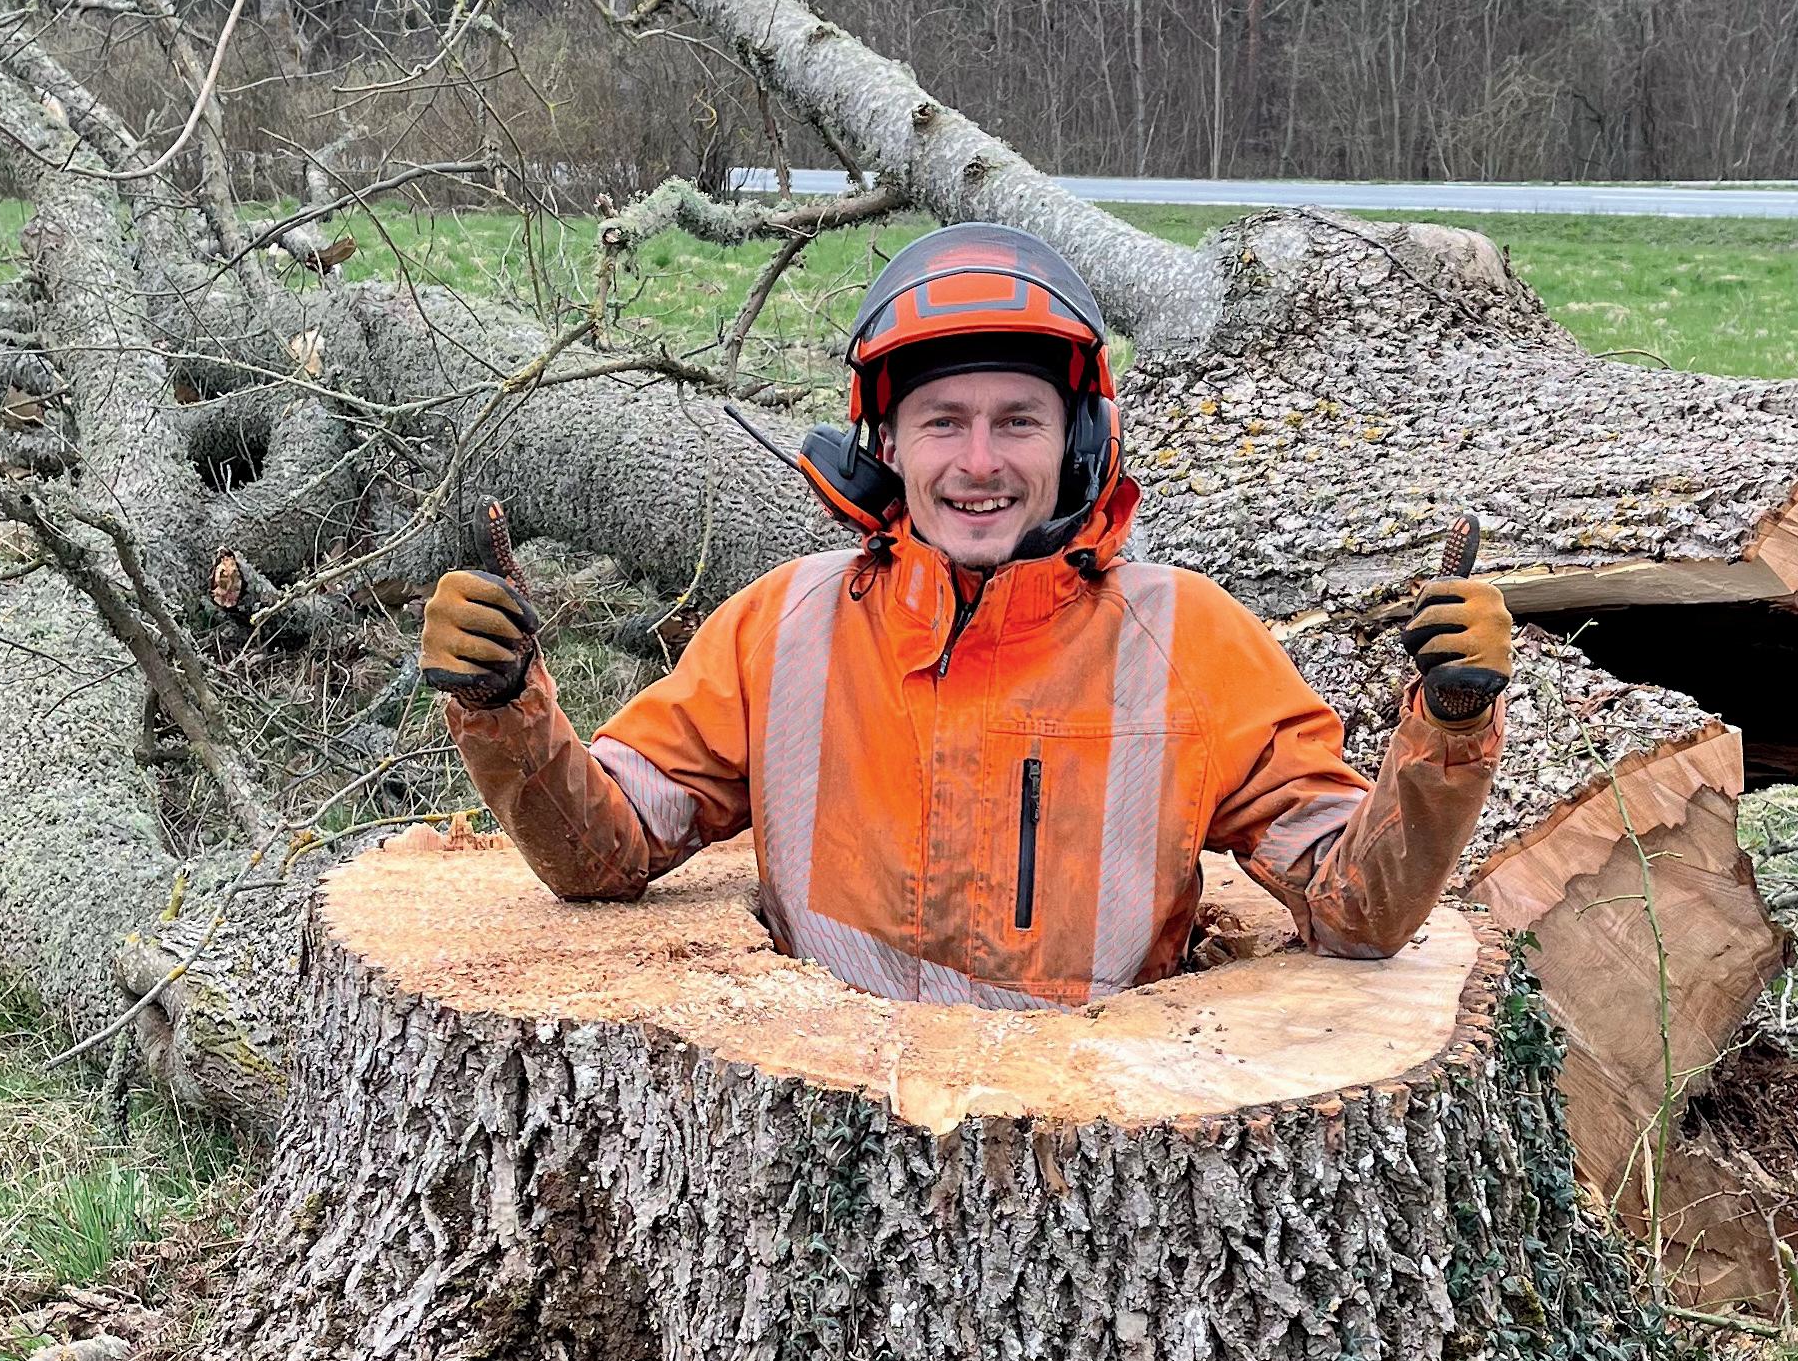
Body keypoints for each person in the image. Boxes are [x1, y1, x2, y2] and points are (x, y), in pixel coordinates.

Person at [419, 224, 1513, 1006]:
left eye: (1017, 421)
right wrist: (505, 706)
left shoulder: (1187, 638)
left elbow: (1357, 909)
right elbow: (601, 855)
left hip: (1103, 1145)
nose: (978, 462)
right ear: (885, 444)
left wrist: (1448, 728)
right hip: (832, 1125)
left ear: (1078, 441)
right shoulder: (783, 629)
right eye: (942, 421)